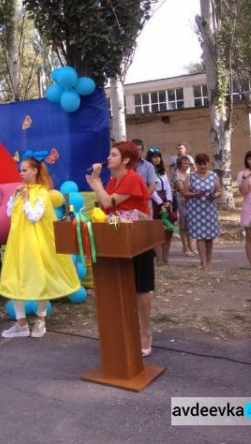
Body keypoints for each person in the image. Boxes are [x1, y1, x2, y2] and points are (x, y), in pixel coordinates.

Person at [0, 153, 80, 339]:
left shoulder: (42, 193)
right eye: (20, 170)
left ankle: (41, 321)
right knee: (14, 279)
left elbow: (34, 217)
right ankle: (21, 324)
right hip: (18, 243)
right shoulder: (22, 191)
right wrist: (13, 197)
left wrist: (26, 199)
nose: (21, 173)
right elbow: (10, 213)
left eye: (24, 170)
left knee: (40, 280)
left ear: (35, 171)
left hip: (36, 245)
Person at [86, 141, 156, 356]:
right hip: (117, 233)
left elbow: (108, 203)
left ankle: (145, 333)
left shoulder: (133, 179)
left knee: (141, 287)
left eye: (114, 155)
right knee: (120, 286)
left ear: (125, 160)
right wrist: (99, 186)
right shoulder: (113, 181)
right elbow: (106, 209)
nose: (108, 158)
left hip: (138, 236)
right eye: (109, 154)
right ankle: (124, 330)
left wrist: (96, 183)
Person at [182, 153, 221, 269]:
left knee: (210, 237)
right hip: (196, 210)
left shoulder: (214, 176)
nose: (203, 166)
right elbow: (184, 192)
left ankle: (209, 261)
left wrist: (215, 195)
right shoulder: (191, 176)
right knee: (200, 236)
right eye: (200, 164)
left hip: (210, 210)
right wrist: (195, 194)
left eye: (205, 164)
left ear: (208, 163)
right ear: (196, 164)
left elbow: (219, 191)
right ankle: (203, 262)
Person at [146, 148, 174, 264]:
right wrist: (160, 203)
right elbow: (151, 190)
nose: (157, 159)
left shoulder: (163, 171)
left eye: (158, 156)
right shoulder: (148, 171)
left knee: (168, 230)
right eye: (154, 157)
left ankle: (166, 256)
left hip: (165, 201)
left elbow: (167, 187)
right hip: (155, 202)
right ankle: (159, 258)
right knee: (157, 230)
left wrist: (169, 201)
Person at [172, 156, 197, 256]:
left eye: (188, 163)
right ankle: (185, 247)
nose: (187, 165)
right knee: (183, 225)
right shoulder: (177, 175)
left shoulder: (191, 174)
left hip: (192, 201)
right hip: (182, 201)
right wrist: (196, 193)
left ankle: (191, 246)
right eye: (184, 163)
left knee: (191, 224)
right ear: (179, 164)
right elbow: (182, 191)